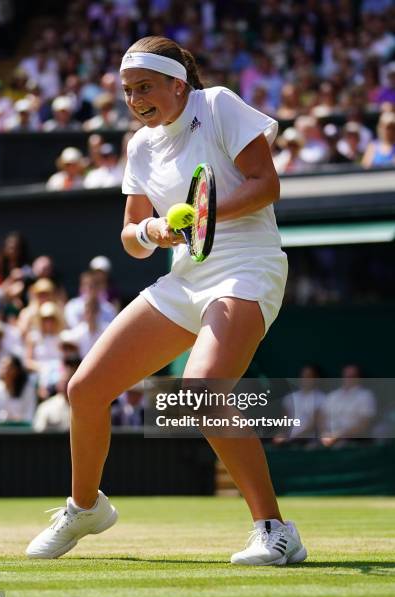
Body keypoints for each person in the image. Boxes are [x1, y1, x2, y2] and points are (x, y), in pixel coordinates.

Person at [26, 35, 306, 566]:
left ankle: (276, 529)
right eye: (129, 91)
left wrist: (204, 216)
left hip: (248, 264)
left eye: (146, 88)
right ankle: (85, 509)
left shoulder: (219, 104)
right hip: (185, 277)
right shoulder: (140, 145)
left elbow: (265, 184)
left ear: (179, 85)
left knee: (202, 389)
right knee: (84, 389)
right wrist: (156, 229)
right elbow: (130, 235)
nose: (136, 100)